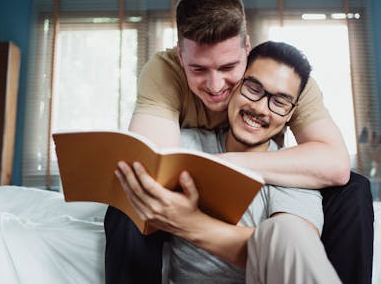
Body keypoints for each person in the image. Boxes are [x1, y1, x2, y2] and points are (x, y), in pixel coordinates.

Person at [105, 0, 373, 284]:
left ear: (247, 50)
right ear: (181, 57)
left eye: (229, 67)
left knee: (353, 189)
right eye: (198, 70)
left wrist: (227, 162)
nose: (216, 85)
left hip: (261, 173)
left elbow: (335, 165)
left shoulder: (283, 79)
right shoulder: (163, 72)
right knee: (131, 196)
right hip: (199, 183)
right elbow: (154, 169)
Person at [116, 41, 341, 283]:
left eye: (279, 102)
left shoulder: (298, 172)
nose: (260, 109)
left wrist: (188, 222)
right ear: (235, 86)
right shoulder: (182, 146)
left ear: (290, 114)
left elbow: (293, 253)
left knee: (289, 231)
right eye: (254, 89)